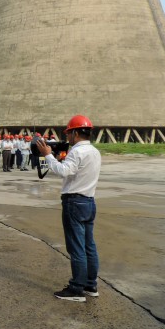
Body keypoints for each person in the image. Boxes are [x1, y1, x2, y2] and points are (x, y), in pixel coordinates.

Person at [37, 115, 101, 302]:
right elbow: (73, 171)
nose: (67, 137)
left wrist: (48, 155)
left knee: (76, 247)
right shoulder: (95, 151)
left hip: (74, 202)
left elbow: (63, 171)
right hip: (89, 201)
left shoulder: (77, 151)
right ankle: (90, 285)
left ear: (75, 133)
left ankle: (76, 289)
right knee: (89, 246)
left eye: (68, 133)